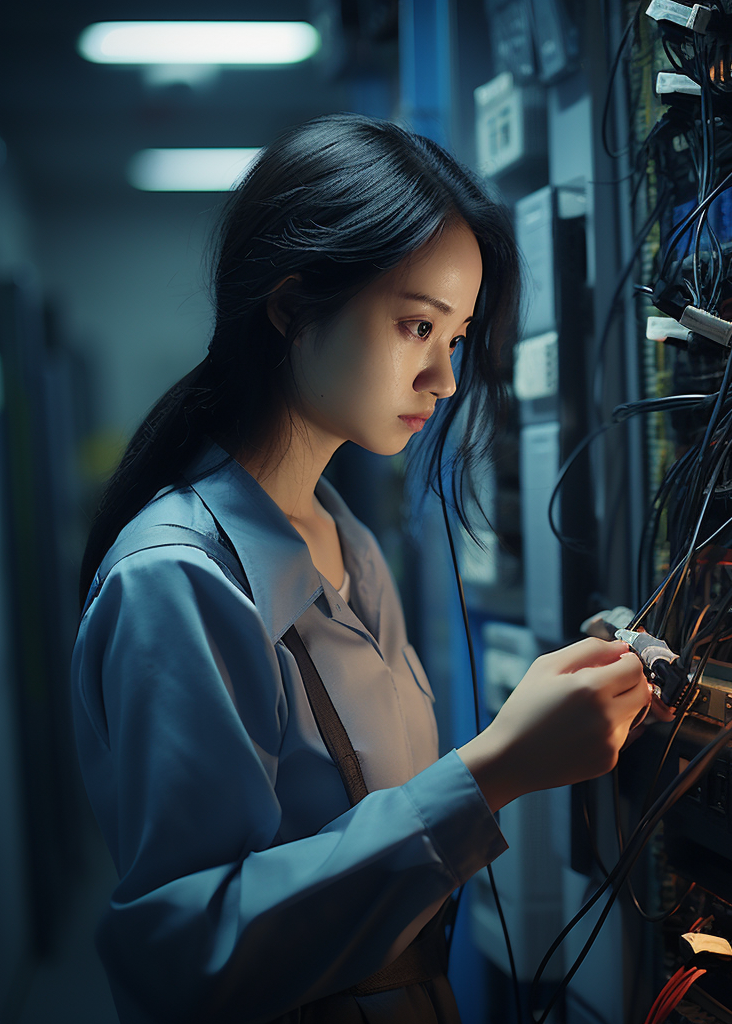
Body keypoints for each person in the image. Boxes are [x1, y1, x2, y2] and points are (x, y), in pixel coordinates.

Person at [71, 113, 652, 1024]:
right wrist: (494, 770)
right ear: (291, 306)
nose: (445, 380)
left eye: (455, 337)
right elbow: (189, 958)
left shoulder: (354, 551)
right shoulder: (175, 580)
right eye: (417, 324)